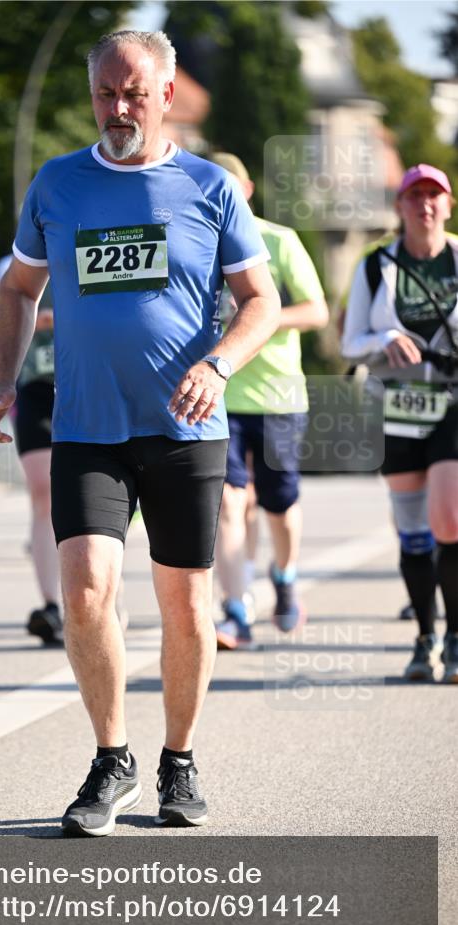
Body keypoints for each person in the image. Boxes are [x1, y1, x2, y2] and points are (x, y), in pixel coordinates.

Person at [0, 29, 280, 836]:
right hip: (87, 425)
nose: (118, 108)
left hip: (185, 429)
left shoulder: (210, 188)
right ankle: (111, 756)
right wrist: (4, 381)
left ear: (166, 95)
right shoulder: (57, 184)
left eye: (133, 94)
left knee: (185, 608)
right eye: (105, 94)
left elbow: (261, 303)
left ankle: (177, 762)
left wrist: (217, 365)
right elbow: (16, 292)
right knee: (84, 593)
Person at [342, 163, 458, 684]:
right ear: (400, 206)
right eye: (415, 197)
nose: (425, 205)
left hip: (453, 406)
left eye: (434, 196)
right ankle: (424, 637)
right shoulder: (375, 266)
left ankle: (455, 636)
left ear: (448, 205)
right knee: (412, 533)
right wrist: (383, 340)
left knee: (449, 521)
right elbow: (350, 341)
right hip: (397, 406)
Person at [210, 154, 329, 650]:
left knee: (279, 506)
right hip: (221, 392)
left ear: (249, 189)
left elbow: (317, 311)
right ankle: (236, 611)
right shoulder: (198, 244)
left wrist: (259, 314)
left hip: (279, 395)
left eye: (230, 188)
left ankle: (284, 575)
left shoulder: (279, 241)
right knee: (228, 504)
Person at [0, 260, 62, 644]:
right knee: (43, 491)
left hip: (92, 381)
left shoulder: (96, 239)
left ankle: (105, 596)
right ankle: (52, 606)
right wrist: (34, 320)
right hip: (36, 388)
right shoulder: (8, 268)